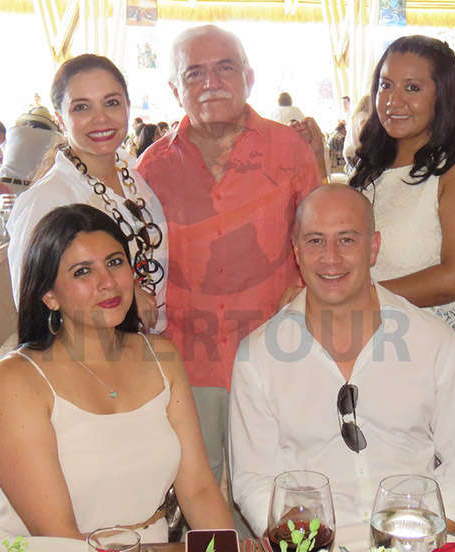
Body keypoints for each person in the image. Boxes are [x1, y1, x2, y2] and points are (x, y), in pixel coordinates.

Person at [229, 185, 455, 533]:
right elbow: (254, 480)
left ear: (374, 247)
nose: (330, 257)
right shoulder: (257, 356)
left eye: (347, 239)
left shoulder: (433, 341)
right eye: (315, 240)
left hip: (415, 537)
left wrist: (426, 541)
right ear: (296, 251)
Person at [135, 24, 322, 491]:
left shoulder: (290, 150)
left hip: (275, 354)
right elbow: (140, 260)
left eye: (224, 68)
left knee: (272, 488)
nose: (211, 82)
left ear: (249, 77)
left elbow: (317, 240)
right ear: (175, 88)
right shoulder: (152, 167)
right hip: (186, 357)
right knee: (195, 489)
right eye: (194, 73)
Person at [0, 204, 232, 542]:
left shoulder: (161, 357)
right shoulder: (15, 381)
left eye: (115, 262)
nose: (108, 283)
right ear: (50, 296)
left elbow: (199, 489)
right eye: (83, 272)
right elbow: (58, 537)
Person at [348, 34, 455, 512]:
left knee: (434, 500)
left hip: (435, 343)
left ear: (444, 95)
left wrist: (361, 299)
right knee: (377, 483)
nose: (393, 100)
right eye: (385, 85)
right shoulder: (373, 163)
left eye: (412, 88)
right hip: (373, 338)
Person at [7, 54, 167, 334]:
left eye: (112, 103)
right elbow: (32, 302)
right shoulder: (48, 199)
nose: (101, 118)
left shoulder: (136, 179)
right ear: (60, 118)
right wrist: (125, 299)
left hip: (148, 352)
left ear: (128, 107)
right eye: (82, 107)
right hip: (88, 361)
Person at [0, 106, 64, 194]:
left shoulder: (13, 132)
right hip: (34, 188)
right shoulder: (56, 137)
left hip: (4, 185)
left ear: (29, 122)